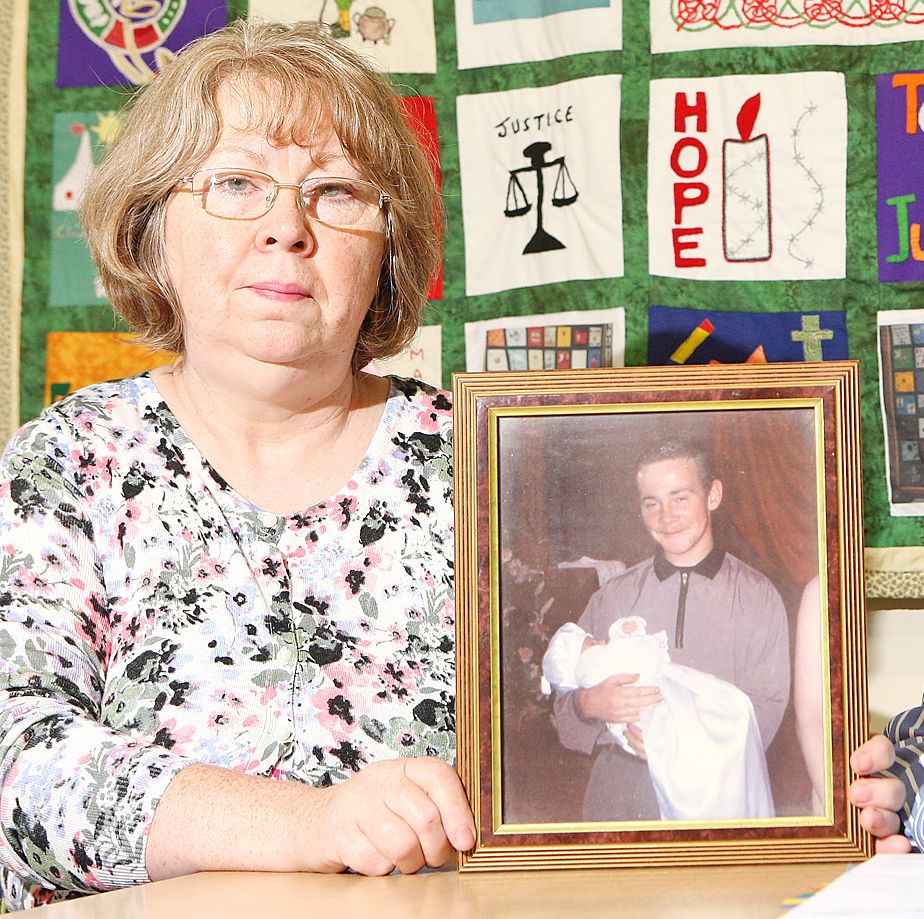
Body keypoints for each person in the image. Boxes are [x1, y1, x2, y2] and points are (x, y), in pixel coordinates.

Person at [0, 20, 474, 909]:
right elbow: (16, 765)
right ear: (152, 228)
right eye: (237, 183)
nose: (286, 229)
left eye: (335, 193)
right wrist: (311, 824)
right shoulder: (66, 464)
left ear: (388, 248)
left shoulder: (480, 462)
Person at [552, 439, 790, 821]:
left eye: (680, 498)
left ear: (712, 495)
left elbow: (766, 708)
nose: (666, 516)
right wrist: (587, 704)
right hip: (622, 791)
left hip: (715, 791)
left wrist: (680, 745)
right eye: (652, 503)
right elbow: (563, 700)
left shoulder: (757, 596)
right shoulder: (614, 595)